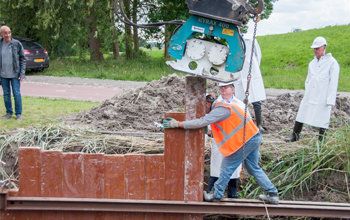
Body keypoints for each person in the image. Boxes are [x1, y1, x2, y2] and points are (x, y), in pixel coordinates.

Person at [163, 94, 279, 204]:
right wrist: (208, 132)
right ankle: (272, 193)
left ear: (207, 104)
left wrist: (178, 124)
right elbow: (226, 129)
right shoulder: (223, 107)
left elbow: (202, 121)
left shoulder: (219, 110)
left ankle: (216, 194)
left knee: (227, 166)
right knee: (253, 168)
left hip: (246, 140)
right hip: (253, 137)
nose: (201, 111)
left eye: (202, 107)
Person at [285, 36, 339, 142]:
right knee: (302, 112)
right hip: (311, 93)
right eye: (314, 48)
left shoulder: (332, 63)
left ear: (324, 47)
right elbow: (308, 79)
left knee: (323, 117)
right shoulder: (312, 63)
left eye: (317, 48)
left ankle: (321, 139)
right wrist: (308, 91)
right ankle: (295, 136)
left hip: (323, 95)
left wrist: (330, 100)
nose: (315, 50)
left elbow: (333, 83)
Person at [207, 82, 247, 199]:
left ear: (232, 89)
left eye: (226, 87)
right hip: (220, 141)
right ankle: (211, 191)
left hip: (234, 141)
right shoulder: (216, 104)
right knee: (216, 167)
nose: (223, 90)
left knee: (233, 168)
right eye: (221, 88)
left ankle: (232, 194)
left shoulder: (239, 104)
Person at [234, 37, 266, 132]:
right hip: (239, 73)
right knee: (240, 101)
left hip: (251, 71)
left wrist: (255, 68)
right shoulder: (233, 38)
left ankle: (259, 124)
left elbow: (258, 54)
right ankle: (242, 124)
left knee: (256, 100)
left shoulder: (250, 39)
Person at [0, 25, 25, 121]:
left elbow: (23, 59)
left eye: (9, 32)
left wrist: (22, 74)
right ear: (1, 34)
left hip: (15, 74)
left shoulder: (16, 44)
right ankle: (9, 113)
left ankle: (18, 114)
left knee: (16, 93)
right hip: (3, 75)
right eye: (5, 33)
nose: (7, 35)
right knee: (6, 94)